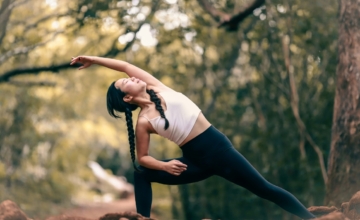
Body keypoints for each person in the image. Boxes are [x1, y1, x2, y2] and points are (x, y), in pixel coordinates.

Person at [70, 55, 316, 219]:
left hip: (220, 151)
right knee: (140, 174)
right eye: (126, 82)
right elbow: (143, 158)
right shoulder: (144, 122)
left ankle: (313, 218)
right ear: (127, 98)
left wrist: (92, 59)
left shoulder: (157, 87)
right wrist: (164, 165)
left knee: (265, 189)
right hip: (195, 162)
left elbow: (123, 65)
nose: (132, 76)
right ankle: (142, 219)